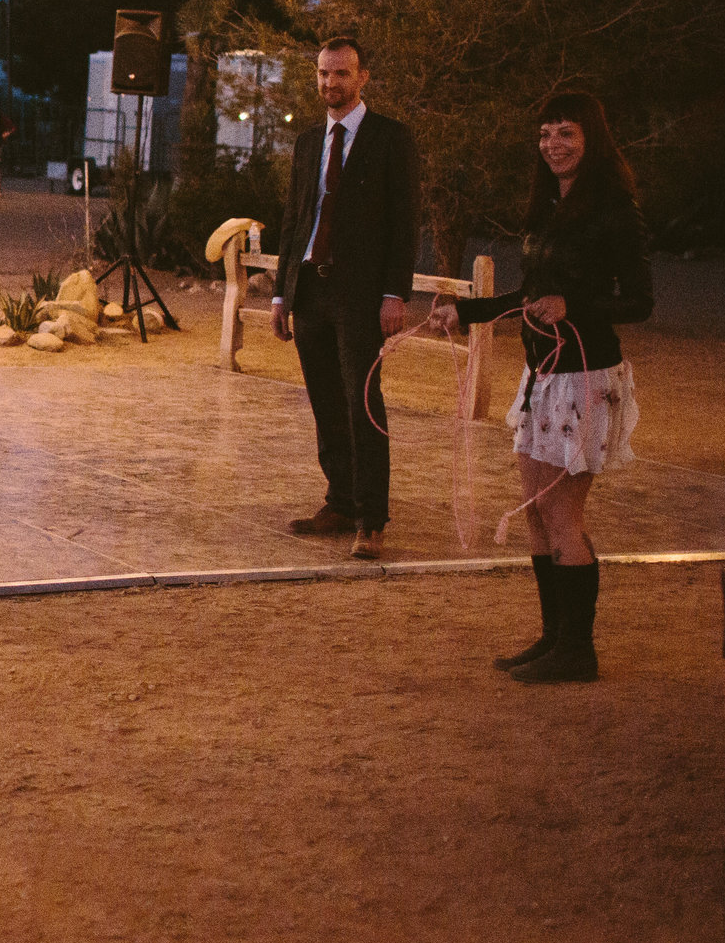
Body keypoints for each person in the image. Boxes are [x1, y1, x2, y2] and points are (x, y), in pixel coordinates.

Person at [431, 92, 653, 684]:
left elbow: (639, 300)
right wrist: (468, 312)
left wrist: (573, 304)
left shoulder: (614, 206)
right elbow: (531, 294)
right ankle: (555, 637)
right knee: (535, 514)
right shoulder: (548, 204)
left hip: (584, 376)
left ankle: (578, 650)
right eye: (546, 134)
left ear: (592, 139)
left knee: (561, 518)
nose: (554, 144)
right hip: (542, 375)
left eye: (567, 134)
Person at [271, 36, 419, 561]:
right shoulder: (309, 142)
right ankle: (339, 500)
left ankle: (371, 520)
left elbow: (405, 224)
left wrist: (393, 293)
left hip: (361, 296)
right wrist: (280, 295)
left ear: (362, 79)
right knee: (326, 403)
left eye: (340, 74)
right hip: (310, 290)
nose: (329, 83)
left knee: (363, 404)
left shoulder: (389, 139)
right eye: (322, 74)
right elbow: (295, 219)